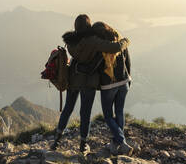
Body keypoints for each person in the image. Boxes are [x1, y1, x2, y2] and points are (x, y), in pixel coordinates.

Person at [51, 14, 130, 153]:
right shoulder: (93, 41)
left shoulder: (70, 42)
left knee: (68, 108)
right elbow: (115, 47)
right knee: (85, 113)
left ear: (75, 27)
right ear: (88, 26)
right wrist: (126, 42)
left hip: (73, 78)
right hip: (89, 81)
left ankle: (56, 140)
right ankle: (83, 144)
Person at [93, 22, 133, 156]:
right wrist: (129, 77)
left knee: (108, 116)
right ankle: (117, 144)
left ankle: (122, 142)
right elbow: (128, 61)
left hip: (108, 85)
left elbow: (96, 67)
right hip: (124, 82)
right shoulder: (119, 39)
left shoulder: (99, 47)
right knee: (119, 112)